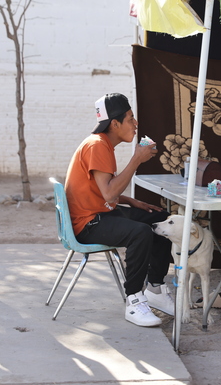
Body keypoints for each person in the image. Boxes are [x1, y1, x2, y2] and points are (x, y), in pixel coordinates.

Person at [65, 93, 174, 327]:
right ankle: (134, 301)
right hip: (88, 223)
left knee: (161, 220)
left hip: (100, 212)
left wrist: (131, 201)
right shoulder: (97, 145)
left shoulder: (102, 144)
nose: (136, 124)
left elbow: (100, 190)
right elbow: (108, 193)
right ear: (114, 124)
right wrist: (136, 160)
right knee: (141, 233)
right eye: (130, 119)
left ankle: (155, 288)